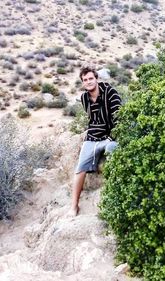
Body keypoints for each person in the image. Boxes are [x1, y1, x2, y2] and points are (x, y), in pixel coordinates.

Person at [69, 66, 122, 216]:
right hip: (92, 138)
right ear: (83, 82)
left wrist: (112, 136)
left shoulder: (110, 92)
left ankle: (114, 197)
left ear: (96, 78)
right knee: (80, 169)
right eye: (85, 80)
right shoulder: (84, 98)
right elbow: (92, 119)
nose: (88, 82)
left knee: (112, 150)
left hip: (110, 137)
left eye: (91, 78)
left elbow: (119, 116)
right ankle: (74, 206)